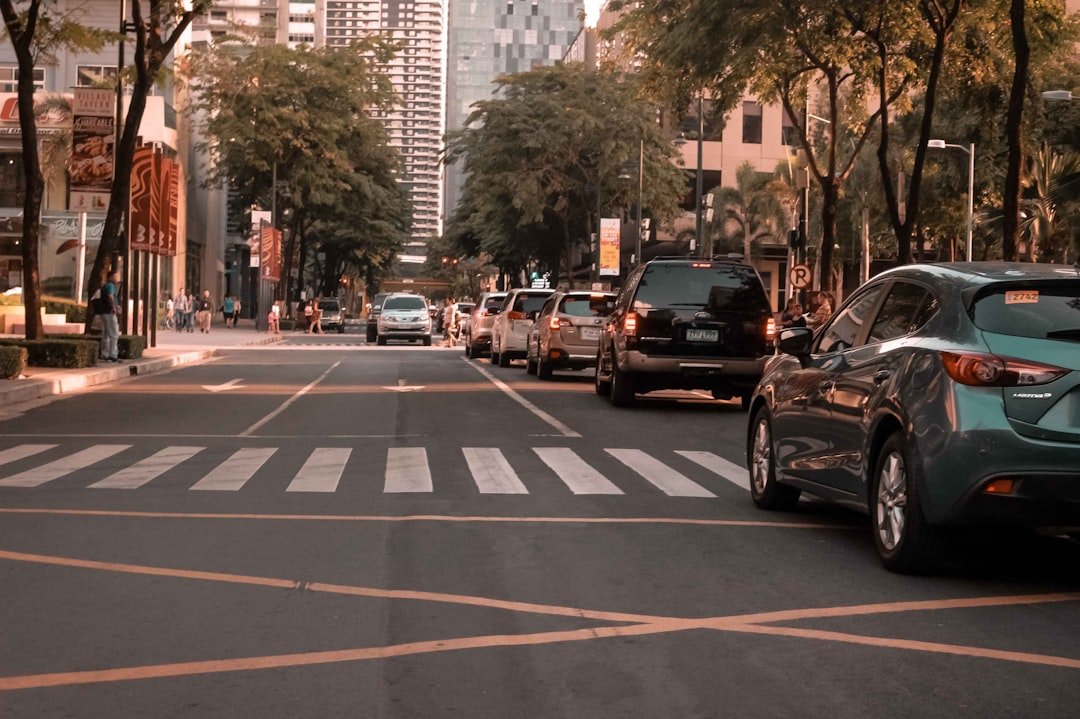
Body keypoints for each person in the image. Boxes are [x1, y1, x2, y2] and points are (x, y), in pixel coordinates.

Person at [99, 271, 121, 363]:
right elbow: (110, 297)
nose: (118, 279)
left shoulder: (106, 285)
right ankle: (113, 355)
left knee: (106, 334)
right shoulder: (111, 286)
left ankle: (105, 354)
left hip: (104, 312)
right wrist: (114, 307)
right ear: (111, 277)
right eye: (116, 277)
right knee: (114, 334)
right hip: (109, 312)